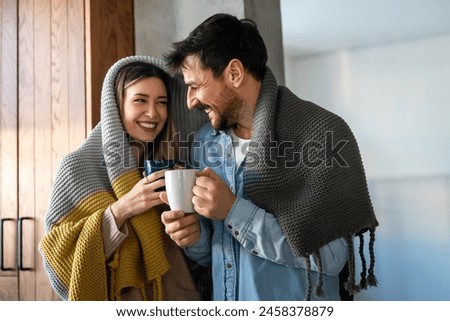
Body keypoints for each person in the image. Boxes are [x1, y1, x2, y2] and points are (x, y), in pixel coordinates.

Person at [160, 13, 379, 301]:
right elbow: (222, 254)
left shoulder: (323, 133)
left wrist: (234, 212)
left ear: (234, 73)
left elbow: (333, 257)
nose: (189, 101)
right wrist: (195, 239)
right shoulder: (204, 143)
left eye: (196, 86)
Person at [39, 56, 203, 301]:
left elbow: (195, 258)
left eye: (162, 102)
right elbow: (56, 256)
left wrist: (194, 230)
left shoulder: (174, 167)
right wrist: (123, 209)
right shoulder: (77, 168)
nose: (153, 113)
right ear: (117, 105)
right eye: (140, 100)